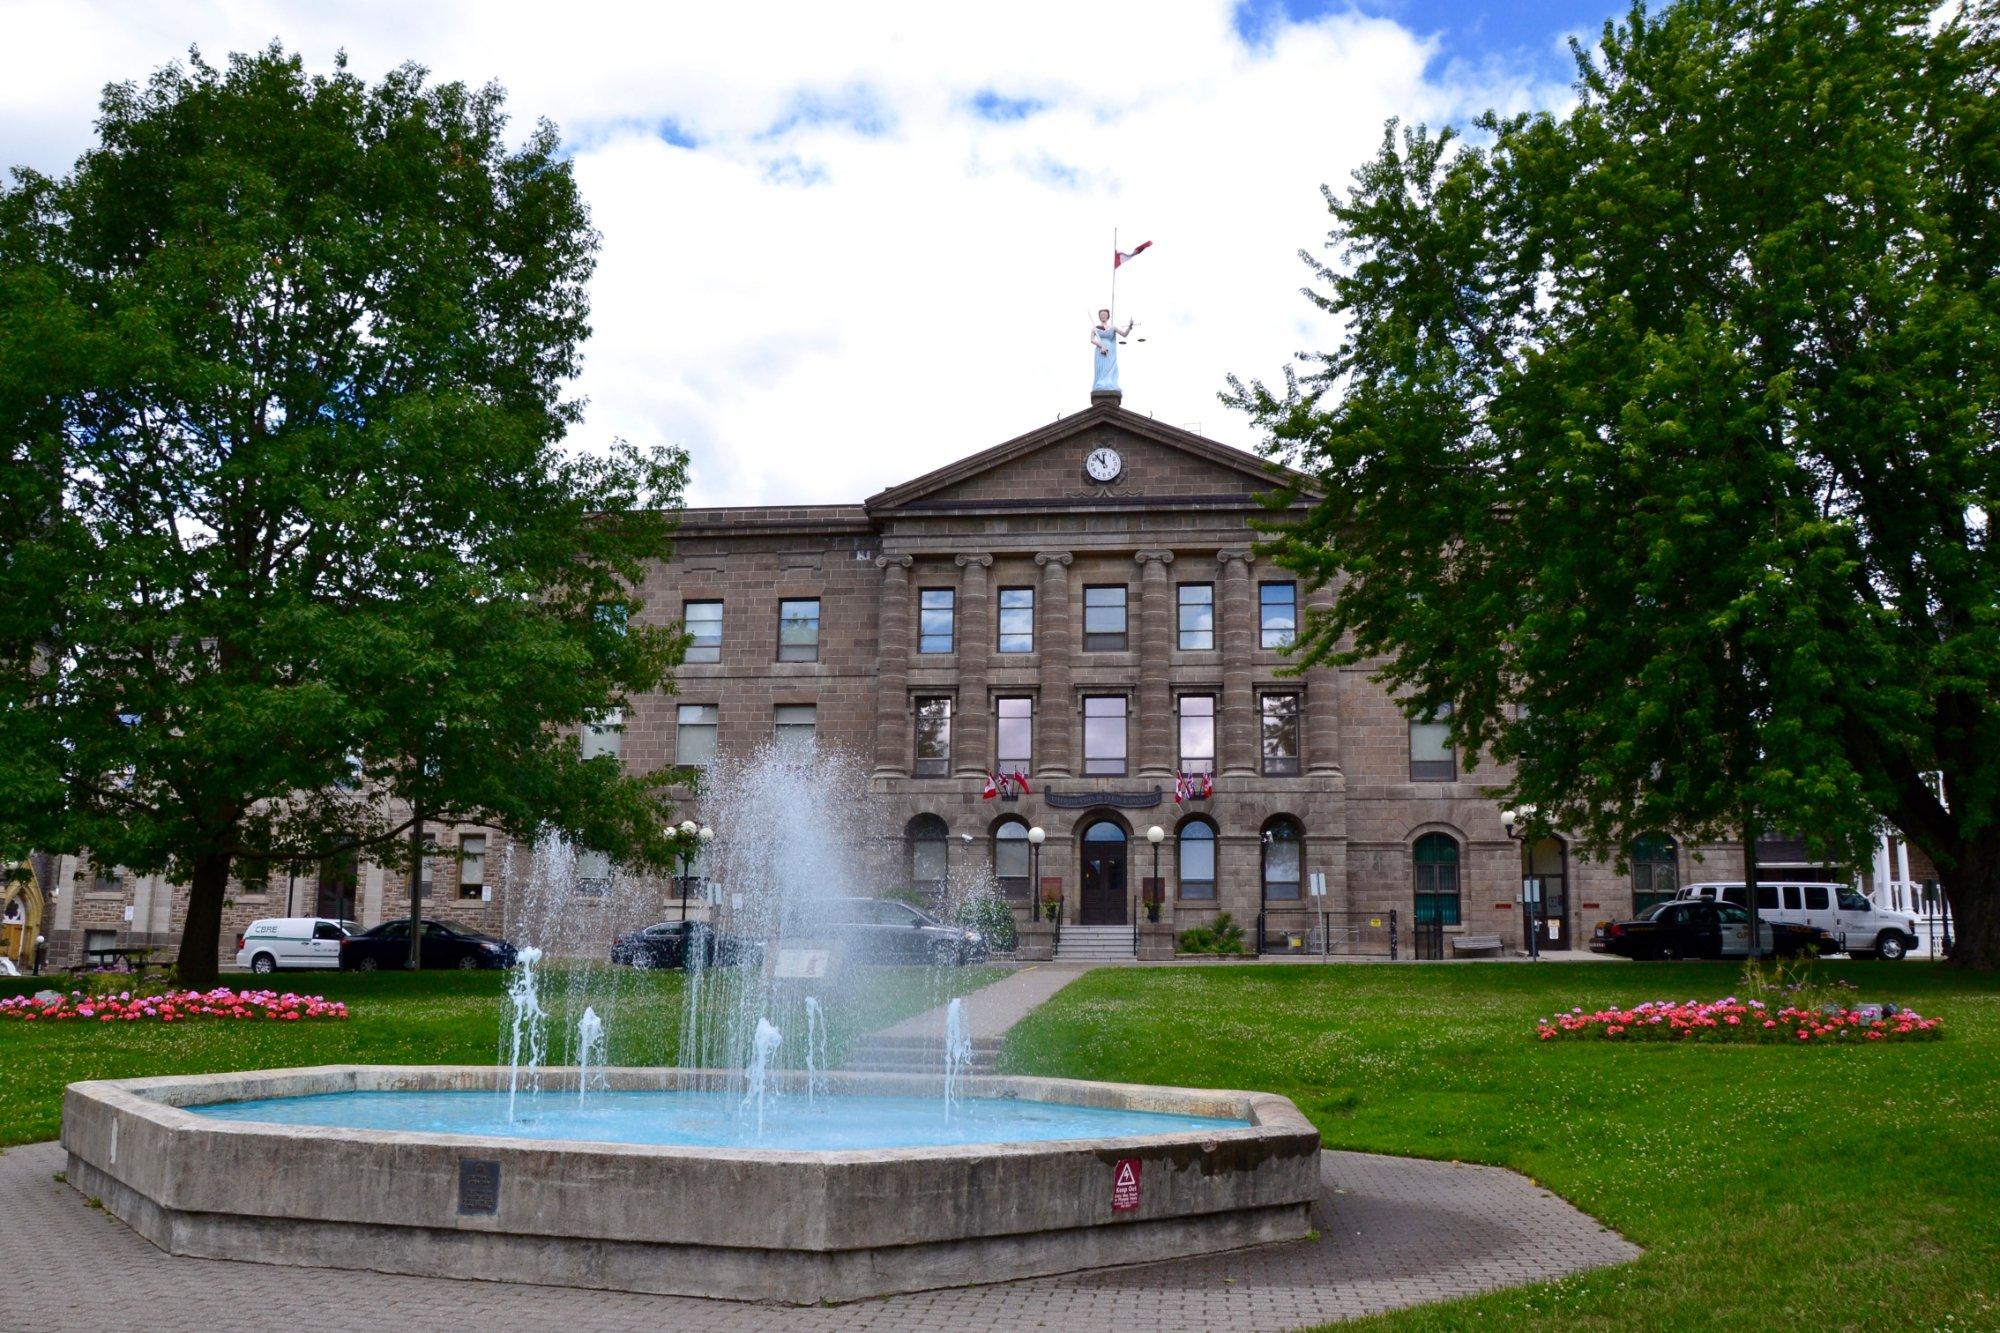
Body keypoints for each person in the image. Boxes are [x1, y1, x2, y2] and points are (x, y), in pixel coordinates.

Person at [1091, 308, 1133, 392]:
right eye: (1101, 315)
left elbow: (1124, 334)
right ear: (1099, 317)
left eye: (1104, 315)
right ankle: (1100, 384)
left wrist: (1130, 327)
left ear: (1108, 317)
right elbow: (1092, 340)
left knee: (1109, 368)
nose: (1103, 316)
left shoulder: (1113, 328)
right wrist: (1101, 346)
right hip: (1100, 351)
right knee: (1101, 368)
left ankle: (1110, 383)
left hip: (1110, 351)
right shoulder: (1095, 328)